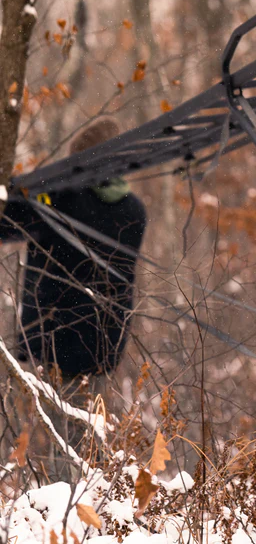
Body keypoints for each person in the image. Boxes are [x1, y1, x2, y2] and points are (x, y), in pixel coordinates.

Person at [0, 117, 147, 387]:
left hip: (51, 342)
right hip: (104, 347)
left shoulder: (62, 199)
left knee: (45, 413)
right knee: (89, 413)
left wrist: (15, 191)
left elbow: (7, 222)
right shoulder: (134, 210)